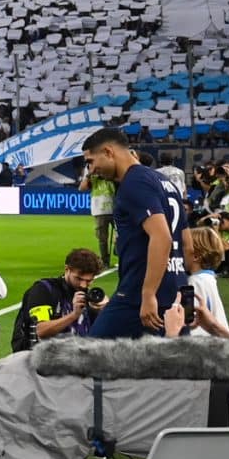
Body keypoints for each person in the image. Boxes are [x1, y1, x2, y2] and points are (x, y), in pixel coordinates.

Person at [80, 127, 187, 338]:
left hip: (139, 293)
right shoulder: (166, 183)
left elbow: (162, 237)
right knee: (165, 364)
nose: (91, 170)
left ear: (109, 152)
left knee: (90, 355)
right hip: (175, 290)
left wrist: (148, 295)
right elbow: (186, 242)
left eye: (91, 161)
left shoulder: (133, 183)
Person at [13, 248, 105, 351]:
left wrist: (103, 312)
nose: (83, 285)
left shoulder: (88, 297)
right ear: (67, 269)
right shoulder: (44, 290)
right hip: (35, 359)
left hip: (71, 359)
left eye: (89, 281)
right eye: (78, 278)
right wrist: (74, 315)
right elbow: (41, 331)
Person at [181, 227, 229, 338]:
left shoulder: (193, 283)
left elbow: (190, 325)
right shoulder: (208, 279)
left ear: (196, 256)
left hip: (203, 346)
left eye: (184, 248)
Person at [82, 158, 117, 269]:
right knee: (102, 239)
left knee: (121, 236)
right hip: (99, 210)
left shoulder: (111, 172)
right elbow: (82, 188)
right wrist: (89, 175)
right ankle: (105, 262)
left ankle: (122, 257)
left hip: (115, 208)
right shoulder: (90, 174)